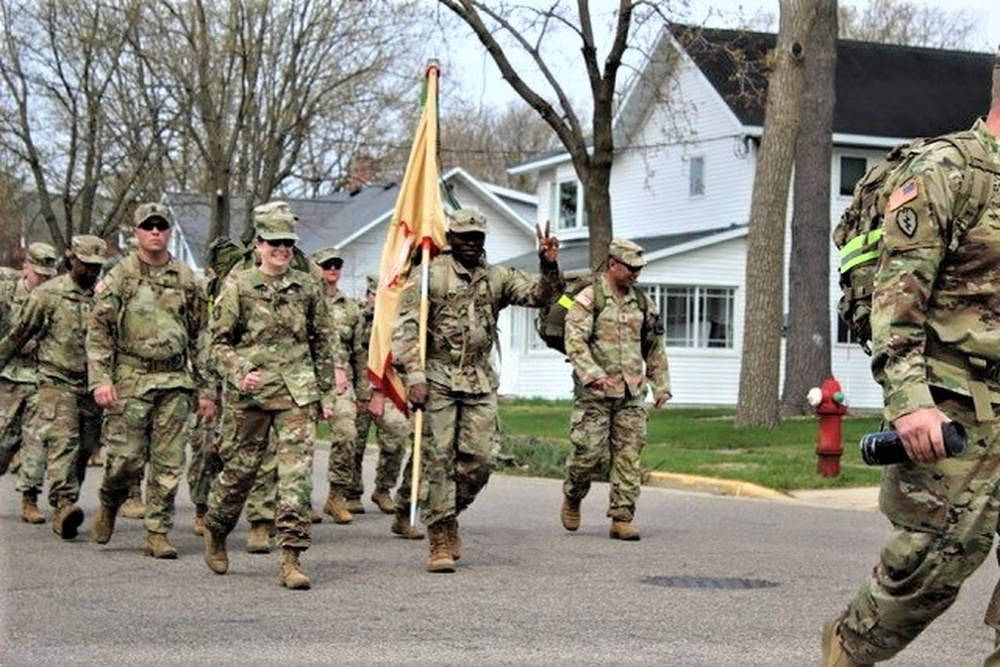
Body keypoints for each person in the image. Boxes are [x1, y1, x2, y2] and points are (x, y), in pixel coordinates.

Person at [822, 65, 1000, 666]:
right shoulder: (947, 172)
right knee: (930, 569)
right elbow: (898, 305)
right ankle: (847, 650)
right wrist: (910, 403)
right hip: (956, 401)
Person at [391, 208, 560, 572]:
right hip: (436, 377)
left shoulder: (496, 277)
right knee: (438, 459)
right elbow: (405, 330)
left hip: (479, 379)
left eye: (477, 237)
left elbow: (540, 296)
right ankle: (438, 537)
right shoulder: (428, 276)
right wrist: (415, 377)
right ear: (450, 238)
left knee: (480, 460)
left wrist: (547, 266)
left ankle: (449, 513)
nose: (471, 243)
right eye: (464, 236)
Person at [202, 201, 336, 590]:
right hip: (253, 394)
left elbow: (323, 342)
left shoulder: (308, 287)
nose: (281, 250)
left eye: (288, 244)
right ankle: (217, 526)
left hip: (297, 393)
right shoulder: (238, 286)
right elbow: (218, 343)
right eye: (274, 242)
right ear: (258, 245)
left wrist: (326, 393)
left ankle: (292, 559)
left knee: (295, 479)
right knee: (239, 473)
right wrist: (239, 370)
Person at [88, 202, 212, 559]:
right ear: (137, 233)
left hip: (174, 379)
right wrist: (101, 380)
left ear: (169, 231)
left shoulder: (186, 278)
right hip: (130, 377)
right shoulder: (120, 276)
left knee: (169, 461)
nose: (155, 232)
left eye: (161, 226)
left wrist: (205, 388)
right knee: (126, 458)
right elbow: (98, 331)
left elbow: (201, 335)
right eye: (148, 226)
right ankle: (110, 501)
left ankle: (158, 531)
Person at [559, 238, 671, 541]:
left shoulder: (645, 304)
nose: (636, 274)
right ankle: (573, 493)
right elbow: (575, 341)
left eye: (639, 269)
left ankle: (622, 516)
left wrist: (661, 385)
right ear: (612, 264)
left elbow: (654, 347)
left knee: (629, 455)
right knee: (589, 455)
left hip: (632, 392)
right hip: (594, 394)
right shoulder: (588, 298)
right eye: (630, 268)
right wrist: (592, 374)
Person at [0, 236, 107, 538]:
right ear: (72, 260)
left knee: (85, 448)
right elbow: (17, 335)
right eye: (86, 265)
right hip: (54, 381)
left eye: (97, 267)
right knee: (64, 441)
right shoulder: (48, 295)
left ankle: (66, 499)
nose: (92, 272)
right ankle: (63, 505)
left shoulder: (103, 299)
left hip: (91, 385)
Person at [354, 274, 423, 539]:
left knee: (395, 439)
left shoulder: (405, 315)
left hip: (397, 385)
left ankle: (383, 488)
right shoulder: (364, 320)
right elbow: (356, 355)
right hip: (360, 387)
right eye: (374, 293)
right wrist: (369, 391)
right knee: (354, 444)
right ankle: (348, 492)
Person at [0, 242, 59, 517]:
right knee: (3, 441)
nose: (44, 281)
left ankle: (30, 500)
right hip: (8, 374)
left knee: (37, 440)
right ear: (26, 268)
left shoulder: (55, 298)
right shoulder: (6, 291)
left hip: (40, 377)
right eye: (39, 275)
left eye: (49, 276)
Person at [312, 247, 363, 523]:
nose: (332, 268)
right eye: (327, 264)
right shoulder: (306, 300)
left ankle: (336, 496)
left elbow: (359, 352)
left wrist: (365, 393)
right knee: (302, 443)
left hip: (342, 384)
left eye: (337, 264)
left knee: (347, 435)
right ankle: (302, 500)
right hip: (307, 381)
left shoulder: (351, 307)